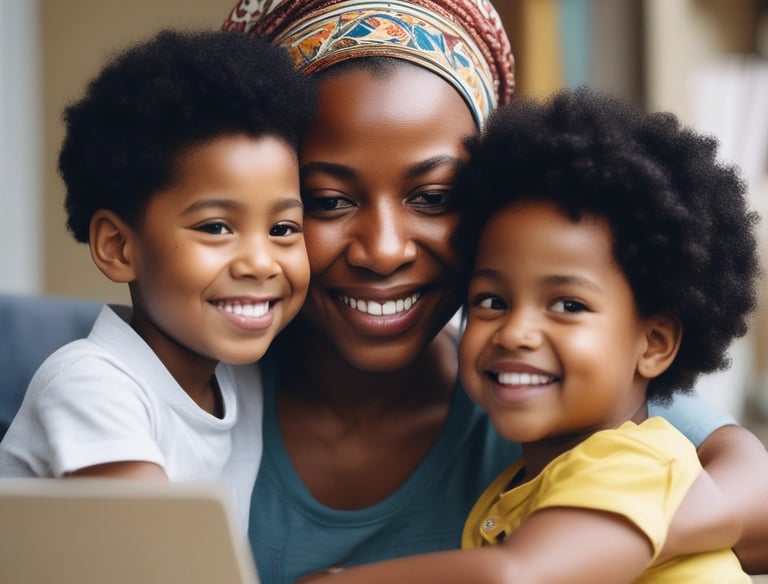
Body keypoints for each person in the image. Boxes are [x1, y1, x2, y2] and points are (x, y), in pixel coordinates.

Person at [222, 1, 768, 580]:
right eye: (328, 200)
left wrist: (615, 528)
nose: (384, 251)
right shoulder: (181, 392)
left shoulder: (569, 399)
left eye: (433, 197)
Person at [0, 29, 316, 529]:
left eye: (282, 229)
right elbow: (160, 564)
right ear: (118, 247)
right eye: (216, 227)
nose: (260, 262)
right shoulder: (91, 385)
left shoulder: (241, 379)